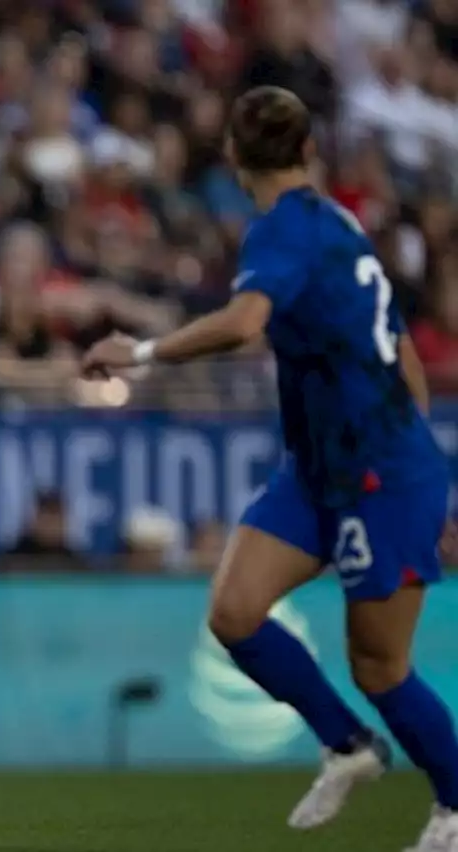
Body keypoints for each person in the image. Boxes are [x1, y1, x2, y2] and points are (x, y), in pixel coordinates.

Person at [83, 86, 458, 850]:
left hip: (381, 475)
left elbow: (246, 323)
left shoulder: (281, 231)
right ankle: (348, 746)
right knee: (234, 612)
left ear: (232, 155)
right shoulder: (336, 224)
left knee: (381, 667)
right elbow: (402, 351)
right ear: (309, 150)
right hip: (322, 469)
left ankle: (455, 804)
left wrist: (143, 352)